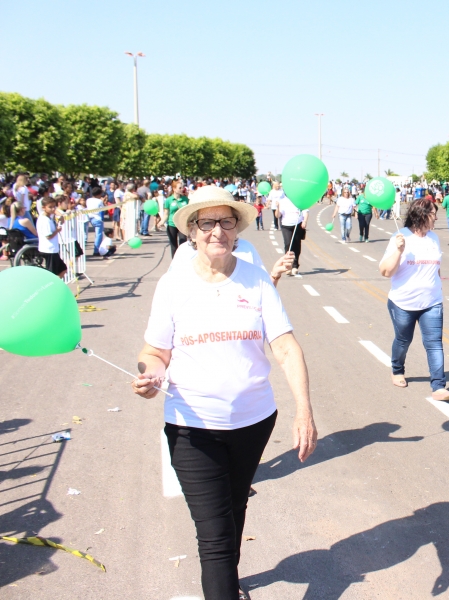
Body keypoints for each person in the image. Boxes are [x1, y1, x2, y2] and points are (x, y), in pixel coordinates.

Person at [133, 186, 317, 600]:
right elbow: (154, 353)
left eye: (226, 221)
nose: (217, 230)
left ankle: (227, 583)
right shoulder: (173, 285)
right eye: (206, 222)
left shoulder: (257, 280)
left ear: (237, 229)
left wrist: (303, 411)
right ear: (192, 232)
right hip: (191, 428)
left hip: (253, 423)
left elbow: (286, 347)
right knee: (214, 537)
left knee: (234, 508)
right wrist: (150, 377)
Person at [378, 199, 449, 402]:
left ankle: (438, 386)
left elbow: (436, 267)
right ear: (422, 215)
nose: (436, 218)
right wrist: (398, 251)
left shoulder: (434, 238)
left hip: (432, 302)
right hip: (403, 303)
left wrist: (437, 286)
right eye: (433, 214)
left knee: (434, 344)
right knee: (403, 340)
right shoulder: (400, 237)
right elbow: (385, 271)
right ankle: (397, 369)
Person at [36, 197, 66, 278]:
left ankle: (56, 283)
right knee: (52, 273)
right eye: (50, 207)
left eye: (54, 207)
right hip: (49, 249)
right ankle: (52, 284)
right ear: (44, 208)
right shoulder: (45, 220)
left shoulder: (48, 217)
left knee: (63, 269)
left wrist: (61, 217)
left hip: (52, 249)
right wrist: (57, 230)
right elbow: (48, 236)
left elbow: (57, 215)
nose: (53, 209)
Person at [280, 193, 308, 277]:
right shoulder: (283, 201)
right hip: (286, 225)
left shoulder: (300, 199)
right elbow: (278, 215)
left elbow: (305, 211)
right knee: (288, 244)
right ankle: (288, 266)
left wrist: (304, 221)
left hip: (297, 224)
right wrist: (277, 207)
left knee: (296, 245)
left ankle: (295, 265)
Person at [162, 180, 189, 258]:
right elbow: (166, 214)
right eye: (180, 188)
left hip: (182, 224)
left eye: (182, 187)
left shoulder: (185, 199)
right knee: (173, 245)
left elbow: (188, 212)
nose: (182, 189)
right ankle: (174, 261)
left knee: (183, 243)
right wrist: (161, 222)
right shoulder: (169, 200)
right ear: (174, 189)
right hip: (172, 224)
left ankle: (183, 260)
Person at [85, 186, 107, 257]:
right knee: (99, 235)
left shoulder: (88, 200)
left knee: (97, 235)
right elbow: (103, 209)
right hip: (98, 218)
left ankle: (97, 249)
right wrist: (103, 201)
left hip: (91, 218)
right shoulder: (99, 201)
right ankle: (96, 250)